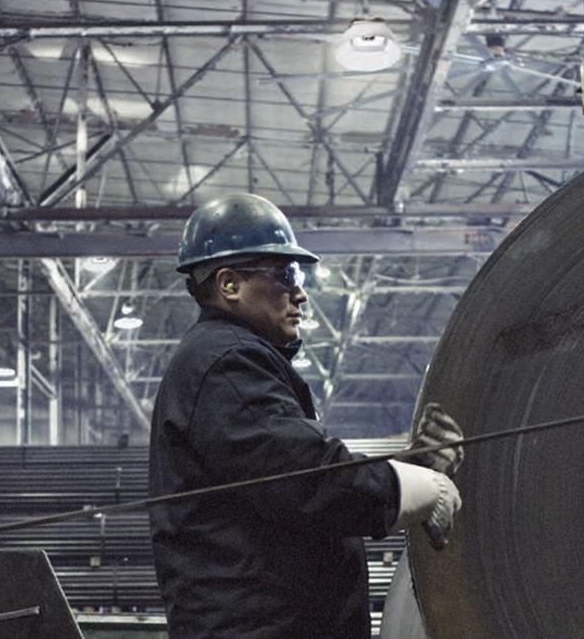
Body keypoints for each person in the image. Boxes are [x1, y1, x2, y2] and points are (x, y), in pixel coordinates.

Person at [148, 193, 464, 638]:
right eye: (284, 274)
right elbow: (309, 480)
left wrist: (411, 469)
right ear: (229, 285)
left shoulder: (225, 362)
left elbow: (291, 481)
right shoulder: (226, 366)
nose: (300, 291)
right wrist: (414, 488)